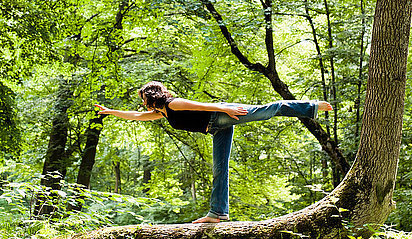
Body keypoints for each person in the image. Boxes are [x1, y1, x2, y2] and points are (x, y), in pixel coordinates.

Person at [95, 80, 333, 223]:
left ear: (150, 97)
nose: (142, 104)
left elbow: (202, 105)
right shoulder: (161, 113)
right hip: (217, 129)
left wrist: (226, 110)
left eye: (143, 98)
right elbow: (135, 116)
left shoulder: (172, 104)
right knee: (220, 169)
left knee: (270, 109)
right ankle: (217, 212)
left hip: (222, 114)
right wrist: (109, 111)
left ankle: (311, 106)